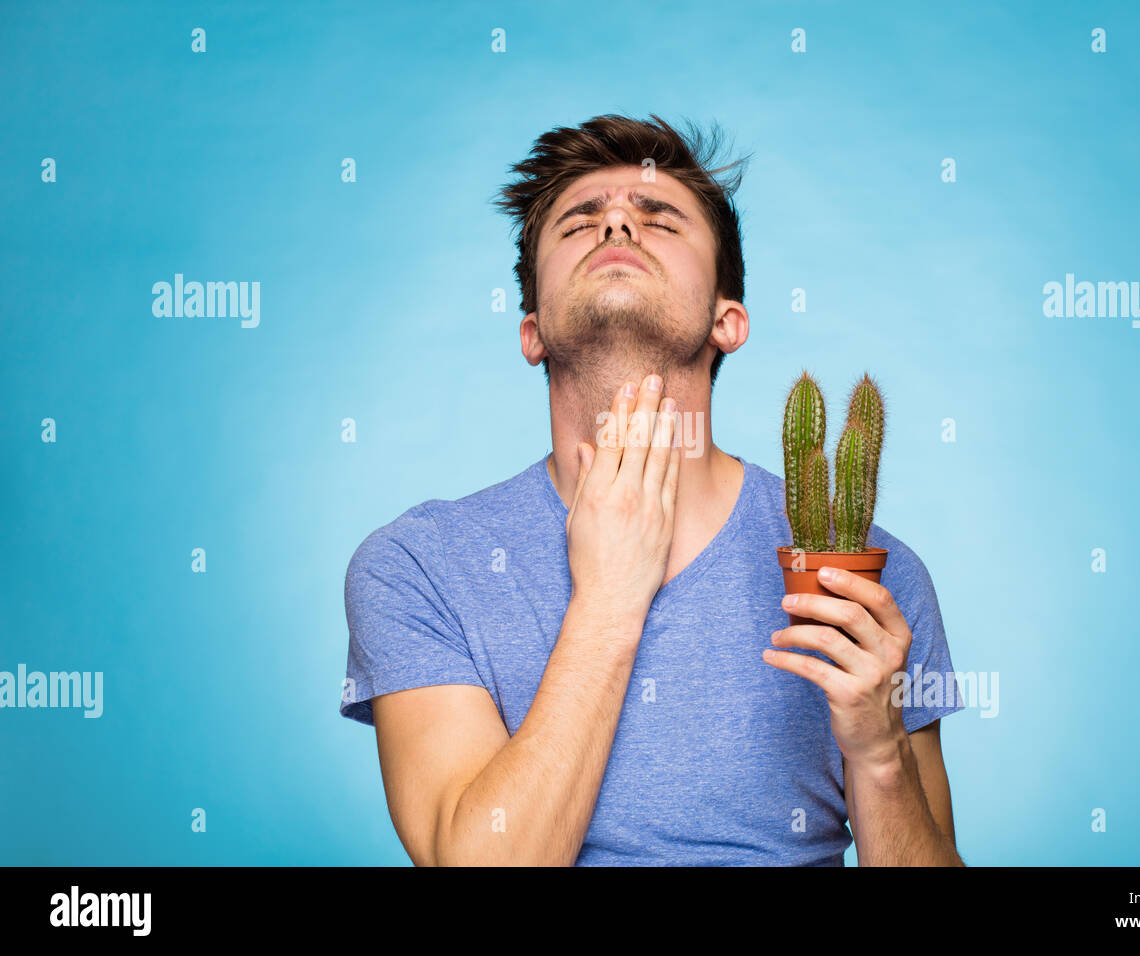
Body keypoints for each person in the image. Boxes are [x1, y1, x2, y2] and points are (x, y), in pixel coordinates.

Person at [340, 114, 965, 866]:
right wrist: (608, 600)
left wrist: (879, 756)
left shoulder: (865, 580)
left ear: (727, 320)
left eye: (657, 219)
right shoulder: (419, 565)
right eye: (581, 223)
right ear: (531, 330)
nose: (616, 228)